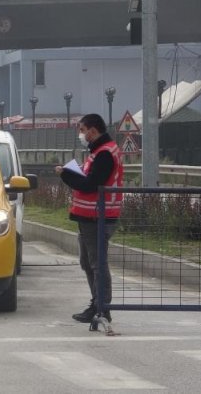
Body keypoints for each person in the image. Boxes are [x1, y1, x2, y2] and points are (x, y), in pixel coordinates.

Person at [54, 113, 123, 324]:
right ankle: (98, 303)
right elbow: (87, 178)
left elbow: (91, 184)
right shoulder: (97, 151)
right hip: (89, 217)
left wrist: (65, 174)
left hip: (99, 216)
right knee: (87, 262)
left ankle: (101, 306)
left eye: (82, 130)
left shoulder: (105, 153)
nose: (81, 135)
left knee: (97, 263)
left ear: (93, 130)